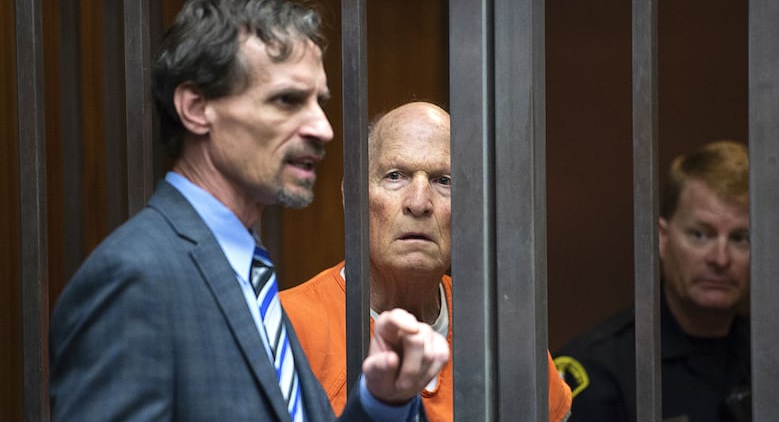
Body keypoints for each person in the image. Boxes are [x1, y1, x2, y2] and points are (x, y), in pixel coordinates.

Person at [48, 0, 448, 422]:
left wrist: (381, 402)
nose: (322, 128)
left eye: (319, 102)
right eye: (287, 100)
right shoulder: (134, 277)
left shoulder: (246, 274)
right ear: (197, 108)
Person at [280, 101, 573, 422]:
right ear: (352, 196)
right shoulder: (288, 326)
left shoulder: (507, 335)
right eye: (395, 176)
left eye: (443, 180)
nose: (419, 203)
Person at [555, 140, 751, 422]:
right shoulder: (599, 369)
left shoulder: (771, 356)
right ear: (662, 238)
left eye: (739, 238)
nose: (720, 259)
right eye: (700, 235)